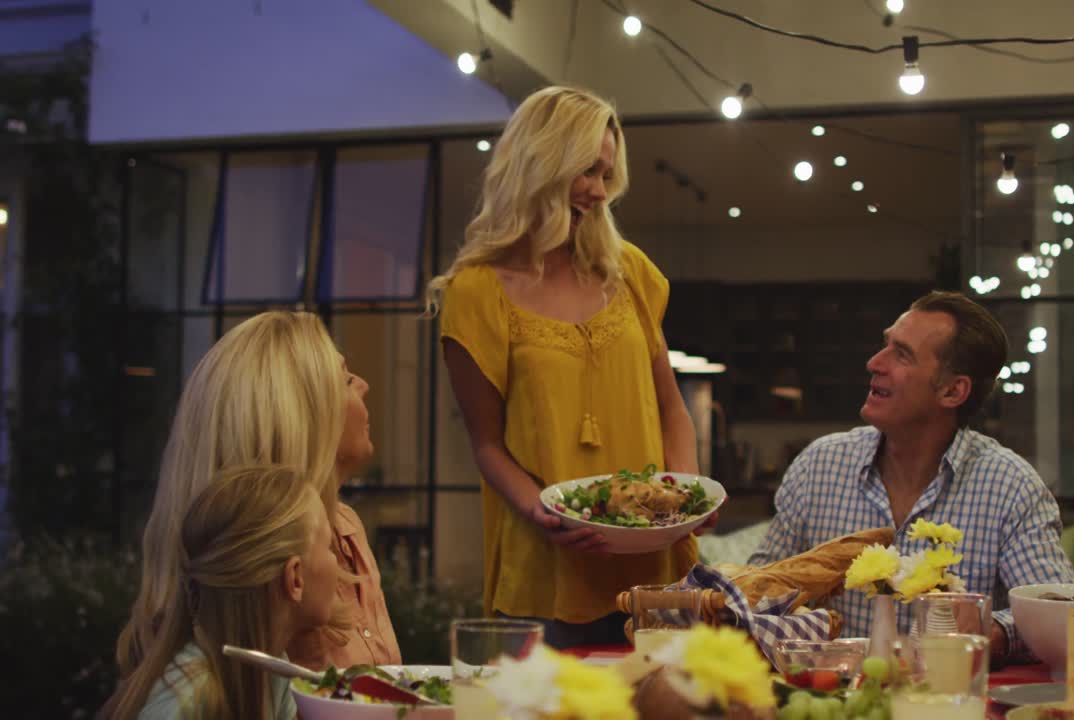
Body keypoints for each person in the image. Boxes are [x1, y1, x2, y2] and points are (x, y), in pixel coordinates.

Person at [429, 86, 710, 649]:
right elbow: (487, 445)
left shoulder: (628, 272)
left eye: (606, 175)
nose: (599, 191)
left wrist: (688, 495)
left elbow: (671, 408)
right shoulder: (476, 292)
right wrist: (543, 513)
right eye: (585, 170)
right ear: (539, 163)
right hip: (544, 575)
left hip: (653, 571)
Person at [749, 291, 1074, 665]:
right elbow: (758, 590)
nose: (874, 362)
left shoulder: (1011, 486)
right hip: (833, 696)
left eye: (901, 354)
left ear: (953, 391)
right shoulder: (818, 466)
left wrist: (996, 630)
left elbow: (1061, 612)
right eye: (884, 345)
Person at [115, 311, 399, 676]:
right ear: (302, 419)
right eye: (345, 380)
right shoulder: (254, 567)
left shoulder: (346, 527)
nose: (363, 385)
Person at [101, 465, 344, 719]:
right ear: (295, 578)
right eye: (328, 546)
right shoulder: (187, 700)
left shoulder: (271, 670)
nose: (336, 559)